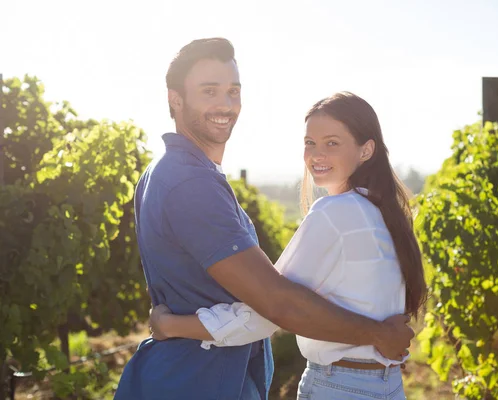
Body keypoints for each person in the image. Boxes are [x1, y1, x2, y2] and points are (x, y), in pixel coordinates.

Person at [114, 38, 416, 400]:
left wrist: (171, 324)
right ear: (174, 99)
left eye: (233, 91)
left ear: (366, 149)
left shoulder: (178, 174)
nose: (225, 104)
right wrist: (377, 333)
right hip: (196, 380)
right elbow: (276, 304)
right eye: (209, 91)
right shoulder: (189, 182)